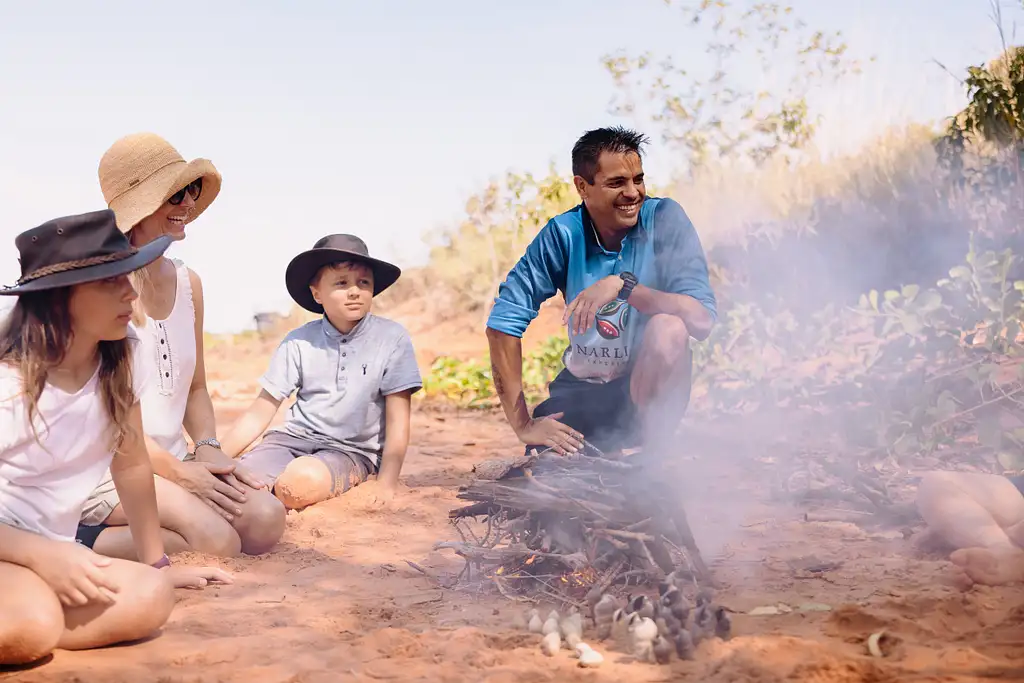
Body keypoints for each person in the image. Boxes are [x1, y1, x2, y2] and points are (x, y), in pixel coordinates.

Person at [0, 210, 231, 666]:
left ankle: (36, 607)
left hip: (50, 551)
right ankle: (32, 612)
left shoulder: (124, 357)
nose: (130, 293)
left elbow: (130, 464)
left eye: (127, 276)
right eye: (110, 282)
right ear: (59, 298)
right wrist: (41, 556)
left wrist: (156, 562)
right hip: (12, 545)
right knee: (32, 625)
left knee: (151, 595)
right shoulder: (11, 383)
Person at [77, 133, 286, 560]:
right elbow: (111, 422)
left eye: (191, 190)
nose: (189, 203)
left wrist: (207, 449)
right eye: (176, 194)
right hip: (107, 467)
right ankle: (75, 540)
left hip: (173, 458)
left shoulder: (189, 284)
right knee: (216, 542)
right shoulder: (102, 290)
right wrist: (183, 477)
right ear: (138, 207)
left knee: (265, 520)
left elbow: (195, 388)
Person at [486, 127, 717, 457]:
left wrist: (626, 289)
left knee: (670, 327)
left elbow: (702, 320)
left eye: (638, 179)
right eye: (616, 183)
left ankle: (653, 459)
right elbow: (501, 325)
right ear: (583, 187)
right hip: (583, 389)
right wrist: (523, 425)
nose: (633, 192)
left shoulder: (664, 219)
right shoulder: (564, 234)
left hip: (645, 389)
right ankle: (605, 459)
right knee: (554, 486)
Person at [220, 234, 422, 510]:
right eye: (341, 283)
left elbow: (399, 421)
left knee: (299, 484)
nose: (354, 291)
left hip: (350, 452)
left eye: (364, 283)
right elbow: (260, 412)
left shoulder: (392, 338)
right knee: (231, 483)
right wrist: (214, 459)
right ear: (317, 293)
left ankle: (274, 497)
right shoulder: (299, 341)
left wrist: (387, 482)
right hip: (290, 440)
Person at [916, 470, 1024, 586]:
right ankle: (1006, 549)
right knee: (935, 484)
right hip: (1016, 494)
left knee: (935, 485)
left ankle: (1007, 552)